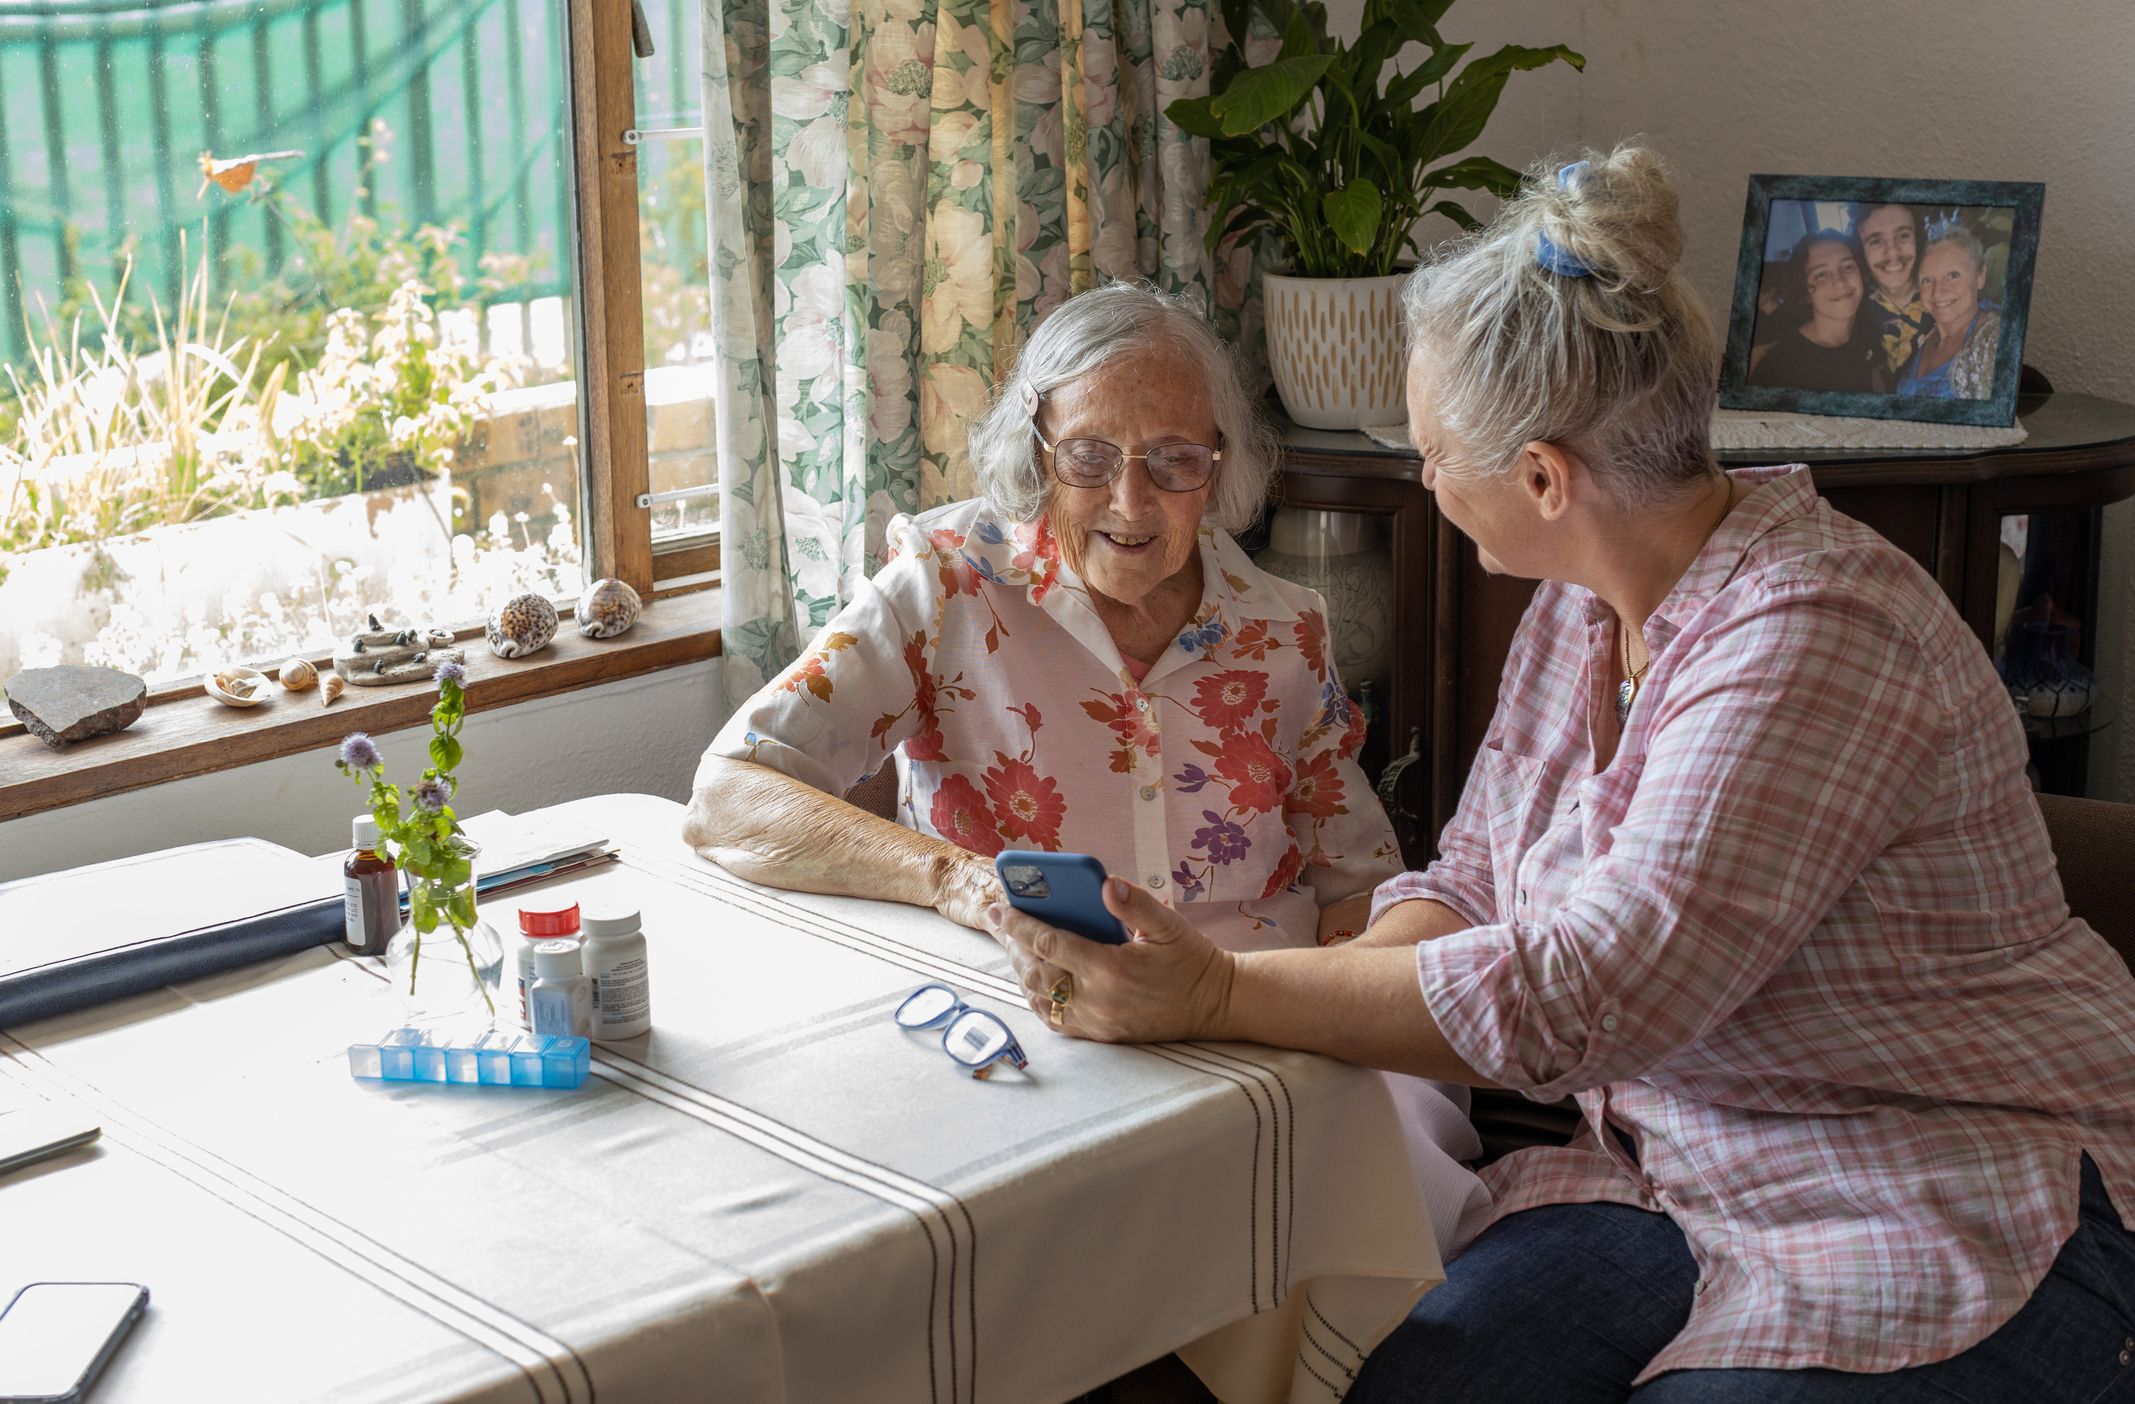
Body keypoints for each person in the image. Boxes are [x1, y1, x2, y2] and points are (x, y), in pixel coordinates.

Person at [991, 147, 2135, 1401]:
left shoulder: (1811, 634)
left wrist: (1218, 995)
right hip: (1672, 1164)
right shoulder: (1583, 604)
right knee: (1413, 1386)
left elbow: (1588, 995)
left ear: (1542, 478)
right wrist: (1254, 1002)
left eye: (1433, 456)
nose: (1425, 482)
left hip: (1937, 1175)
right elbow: (1478, 873)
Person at [685, 281, 1403, 955]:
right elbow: (729, 793)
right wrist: (956, 880)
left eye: (1174, 459)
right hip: (1028, 1013)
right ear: (1036, 452)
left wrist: (1324, 1031)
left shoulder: (1285, 628)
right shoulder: (945, 590)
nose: (1130, 501)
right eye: (1087, 457)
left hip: (1255, 1010)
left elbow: (1359, 885)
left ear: (1217, 465)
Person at [1747, 231, 1884, 392]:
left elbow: (1872, 374)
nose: (1840, 282)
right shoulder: (1778, 370)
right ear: (1804, 290)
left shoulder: (1866, 324)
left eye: (1848, 267)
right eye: (1821, 275)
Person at [1898, 223, 2004, 399]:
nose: (1938, 292)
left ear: (1980, 276)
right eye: (1927, 280)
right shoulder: (1925, 333)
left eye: (1953, 275)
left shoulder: (1996, 341)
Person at [1858, 202, 1935, 377]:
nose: (1892, 253)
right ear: (1861, 250)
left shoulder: (1944, 297)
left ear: (1918, 239)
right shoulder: (1855, 310)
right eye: (1876, 241)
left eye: (1903, 236)